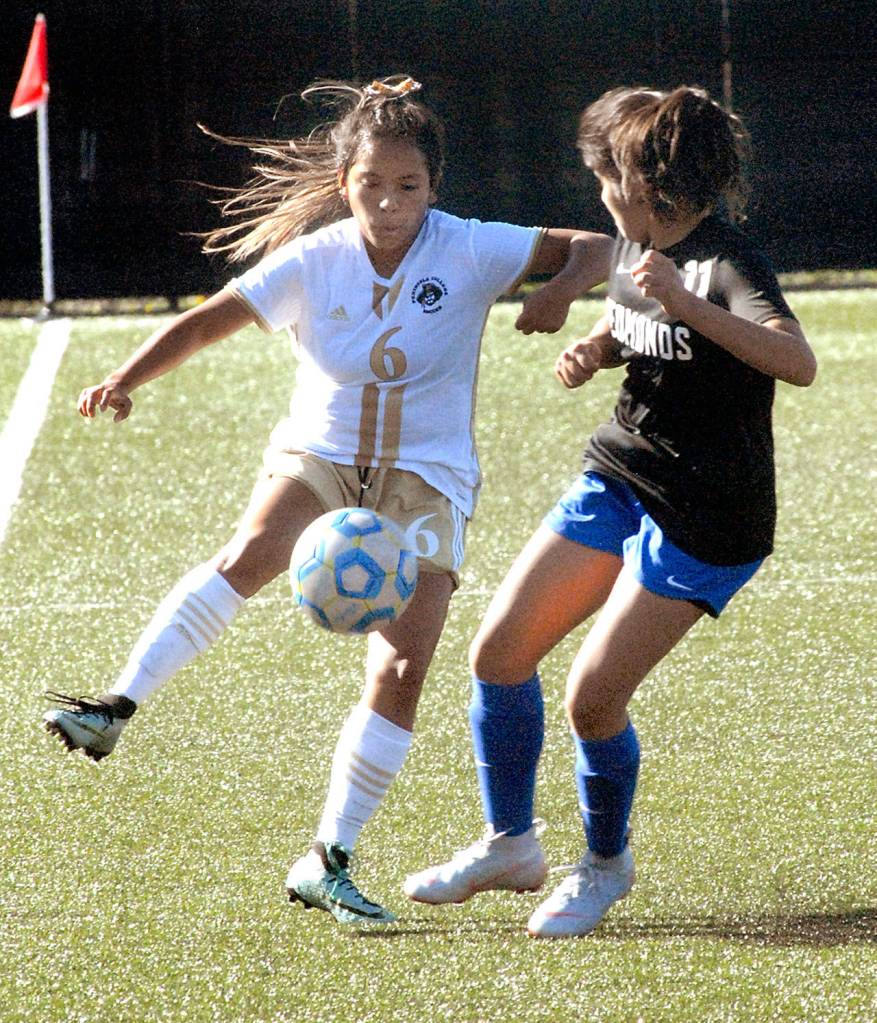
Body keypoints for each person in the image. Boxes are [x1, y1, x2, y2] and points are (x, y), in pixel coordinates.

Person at [42, 75, 612, 926]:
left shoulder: (471, 246)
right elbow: (210, 320)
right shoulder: (315, 258)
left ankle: (327, 856)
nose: (387, 203)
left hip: (428, 476)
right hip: (322, 454)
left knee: (402, 666)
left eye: (408, 186)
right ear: (343, 185)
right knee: (250, 553)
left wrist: (559, 290)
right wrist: (125, 378)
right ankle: (113, 705)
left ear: (435, 186)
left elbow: (599, 246)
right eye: (369, 185)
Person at [403, 85, 817, 938]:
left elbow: (795, 360)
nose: (597, 191)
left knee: (591, 698)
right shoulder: (638, 240)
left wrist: (687, 303)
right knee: (499, 652)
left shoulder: (726, 263)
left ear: (640, 181)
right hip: (622, 470)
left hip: (709, 512)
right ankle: (509, 843)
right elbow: (637, 319)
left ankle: (602, 866)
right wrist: (599, 345)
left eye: (603, 176)